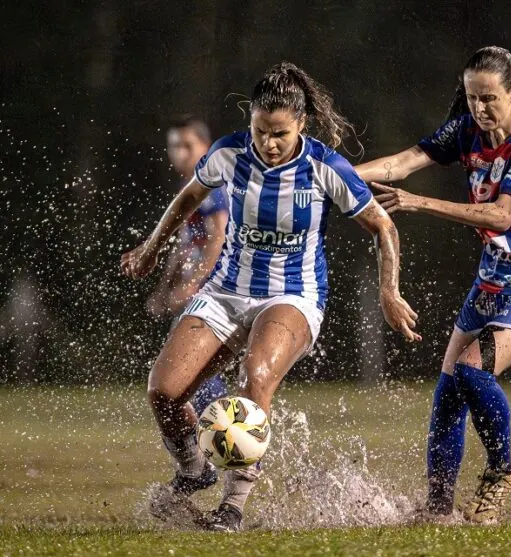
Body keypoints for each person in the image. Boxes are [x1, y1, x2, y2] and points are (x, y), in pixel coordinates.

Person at [121, 62, 420, 532]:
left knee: (256, 374)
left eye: (280, 133)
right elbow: (187, 200)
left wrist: (389, 290)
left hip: (294, 295)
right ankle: (194, 471)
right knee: (164, 391)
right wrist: (151, 249)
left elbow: (383, 225)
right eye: (261, 131)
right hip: (226, 292)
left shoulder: (324, 166)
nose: (269, 143)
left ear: (301, 124)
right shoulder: (228, 154)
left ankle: (232, 507)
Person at [355, 46, 511, 524]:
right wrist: (336, 175)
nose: (479, 108)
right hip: (493, 278)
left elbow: (502, 215)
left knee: (472, 372)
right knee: (448, 391)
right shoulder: (466, 131)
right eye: (472, 97)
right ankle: (438, 510)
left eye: (489, 99)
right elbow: (401, 163)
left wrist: (419, 204)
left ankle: (501, 471)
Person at [147, 116, 229, 415]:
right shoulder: (191, 184)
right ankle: (220, 436)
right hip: (200, 285)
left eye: (187, 145)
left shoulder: (209, 181)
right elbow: (184, 247)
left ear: (205, 147)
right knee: (194, 370)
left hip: (211, 287)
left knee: (187, 368)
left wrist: (193, 283)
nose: (179, 153)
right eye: (173, 146)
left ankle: (221, 436)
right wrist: (164, 287)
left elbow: (218, 235)